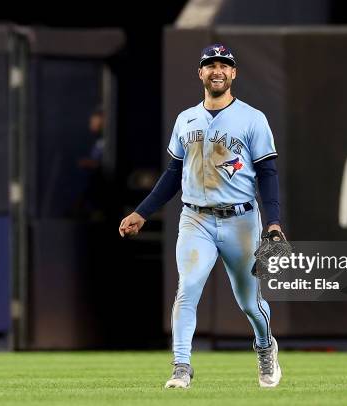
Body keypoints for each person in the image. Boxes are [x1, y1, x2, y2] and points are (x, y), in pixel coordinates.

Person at [119, 44, 284, 389]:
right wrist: (143, 211)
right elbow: (173, 173)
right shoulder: (186, 119)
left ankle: (266, 347)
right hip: (196, 219)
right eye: (211, 65)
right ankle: (181, 365)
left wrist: (273, 222)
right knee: (187, 288)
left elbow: (267, 173)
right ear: (201, 73)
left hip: (241, 219)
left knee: (249, 301)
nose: (217, 70)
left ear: (234, 73)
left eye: (224, 65)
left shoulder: (252, 118)